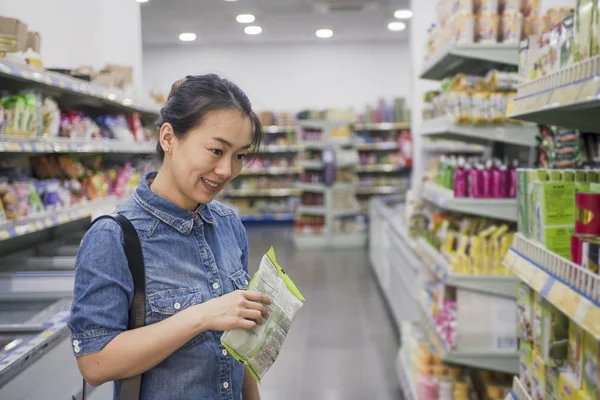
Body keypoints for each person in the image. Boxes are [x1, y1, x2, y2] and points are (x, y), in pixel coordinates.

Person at [68, 74, 271, 400]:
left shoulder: (229, 224)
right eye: (217, 150)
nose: (226, 171)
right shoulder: (114, 237)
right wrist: (201, 317)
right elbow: (94, 362)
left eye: (240, 156)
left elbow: (238, 346)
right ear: (168, 138)